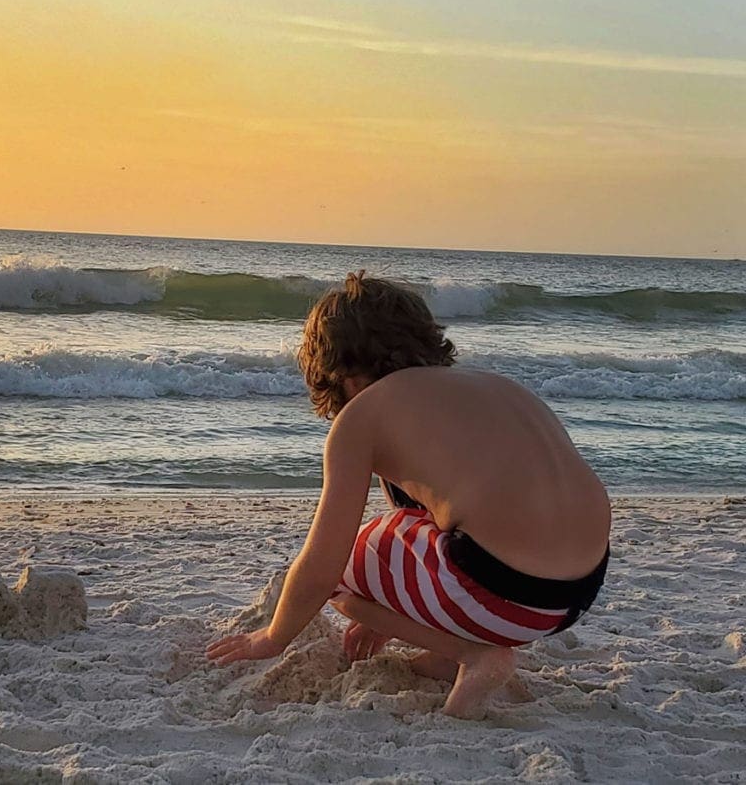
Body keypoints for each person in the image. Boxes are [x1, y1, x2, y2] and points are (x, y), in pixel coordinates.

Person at [206, 271, 611, 718]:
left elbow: (323, 562)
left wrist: (273, 637)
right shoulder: (495, 387)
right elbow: (441, 512)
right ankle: (443, 655)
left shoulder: (362, 415)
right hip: (576, 595)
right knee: (418, 527)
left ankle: (471, 654)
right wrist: (391, 610)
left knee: (344, 563)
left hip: (504, 598)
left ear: (338, 371)